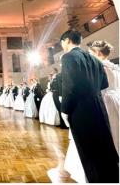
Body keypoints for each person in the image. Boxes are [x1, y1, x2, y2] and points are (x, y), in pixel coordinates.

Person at [60, 29, 118, 182]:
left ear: (66, 41)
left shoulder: (68, 57)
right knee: (104, 147)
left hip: (81, 110)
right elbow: (104, 84)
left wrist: (65, 109)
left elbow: (70, 86)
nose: (62, 46)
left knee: (89, 151)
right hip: (99, 107)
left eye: (62, 43)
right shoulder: (94, 59)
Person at [89, 40, 119, 153]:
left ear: (97, 53)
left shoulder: (99, 67)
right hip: (117, 99)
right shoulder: (115, 67)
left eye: (91, 53)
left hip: (104, 100)